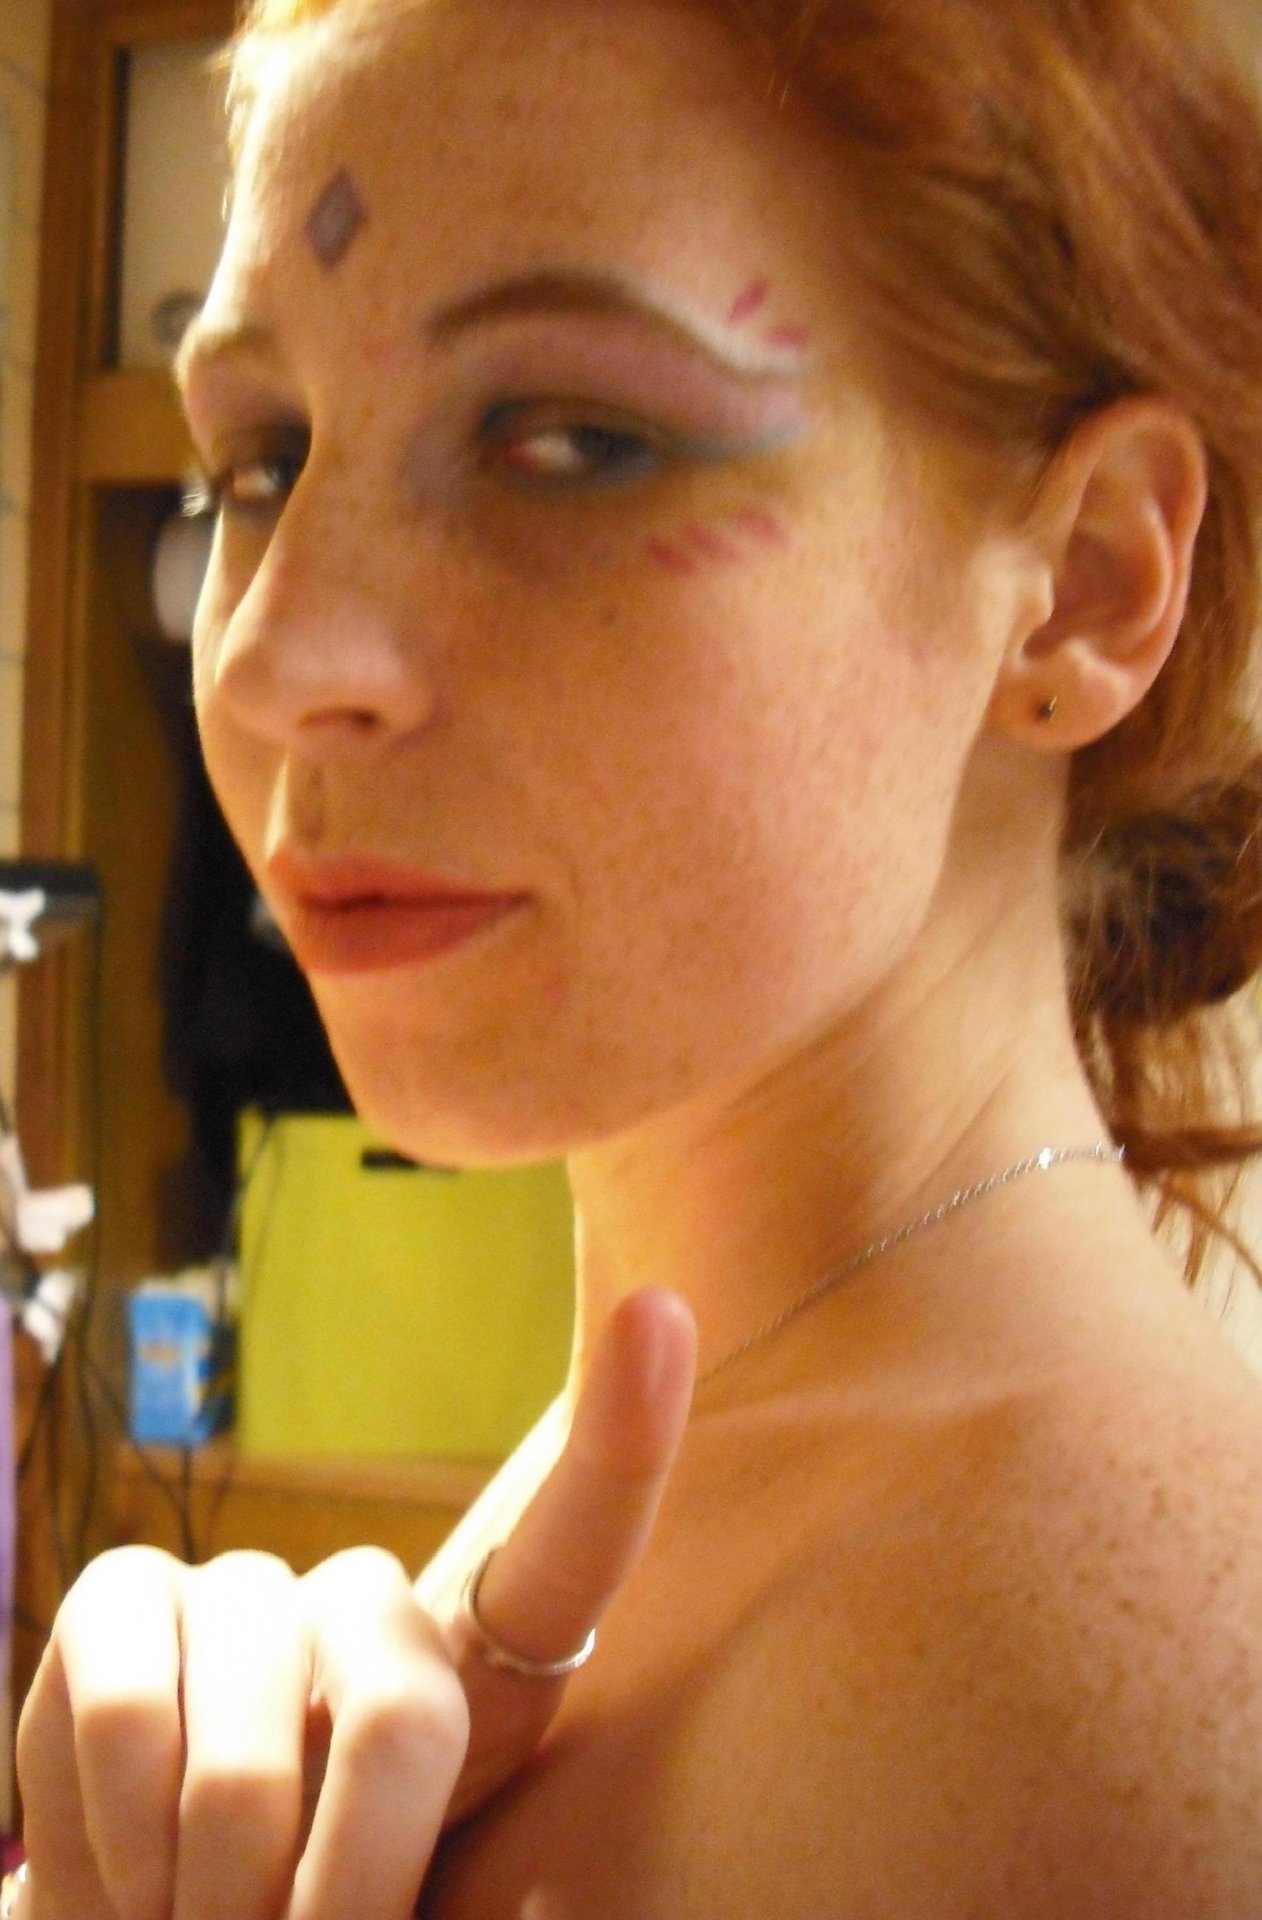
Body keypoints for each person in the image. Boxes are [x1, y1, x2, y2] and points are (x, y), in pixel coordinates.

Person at [12, 0, 1262, 1912]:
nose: (267, 657)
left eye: (568, 441)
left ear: (1081, 580)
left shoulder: (1130, 1728)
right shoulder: (706, 1435)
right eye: (262, 455)